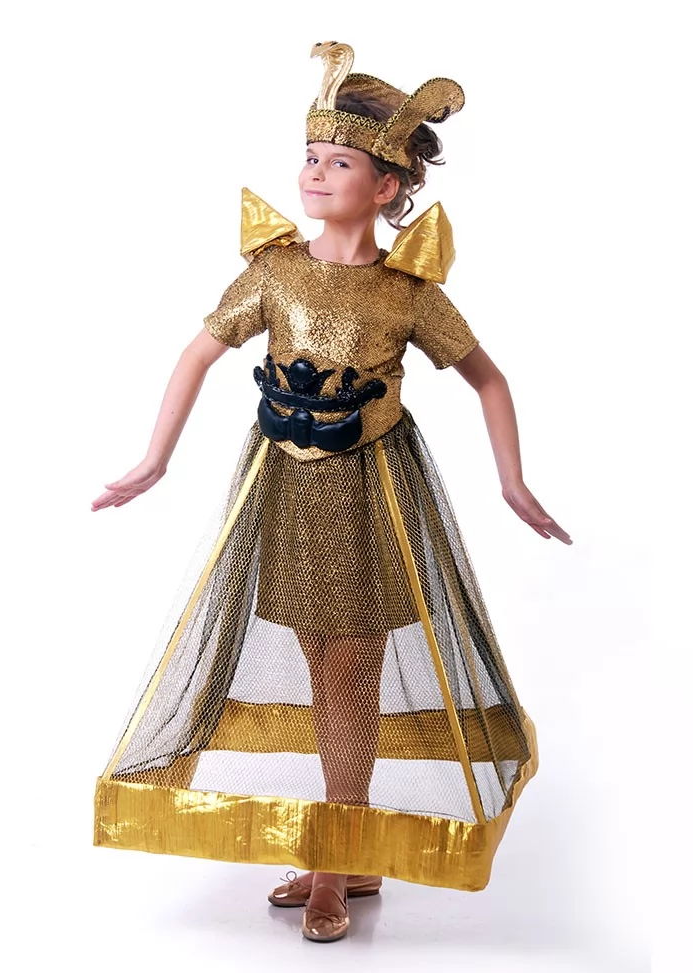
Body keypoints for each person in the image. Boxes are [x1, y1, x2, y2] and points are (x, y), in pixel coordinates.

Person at [92, 41, 572, 944]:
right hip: (284, 491)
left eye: (338, 161)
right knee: (321, 664)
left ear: (386, 187)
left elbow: (489, 378)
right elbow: (198, 351)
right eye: (310, 156)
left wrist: (512, 480)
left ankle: (333, 859)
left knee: (352, 665)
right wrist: (155, 459)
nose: (315, 171)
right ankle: (349, 850)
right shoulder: (274, 272)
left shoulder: (406, 292)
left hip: (372, 492)